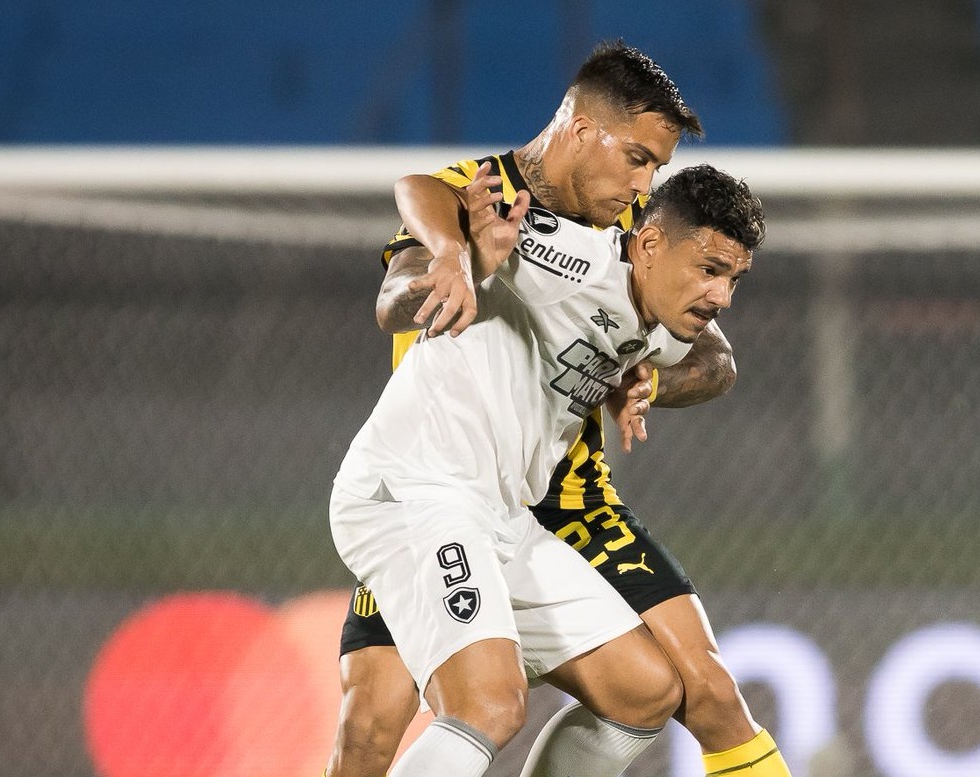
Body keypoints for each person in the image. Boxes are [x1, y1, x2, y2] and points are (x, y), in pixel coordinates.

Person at [327, 41, 791, 777]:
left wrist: (648, 378)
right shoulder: (507, 213)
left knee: (648, 690)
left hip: (520, 502)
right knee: (406, 721)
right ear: (581, 129)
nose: (645, 182)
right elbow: (402, 266)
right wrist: (460, 255)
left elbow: (709, 355)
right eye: (637, 157)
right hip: (419, 488)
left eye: (657, 168)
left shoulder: (637, 238)